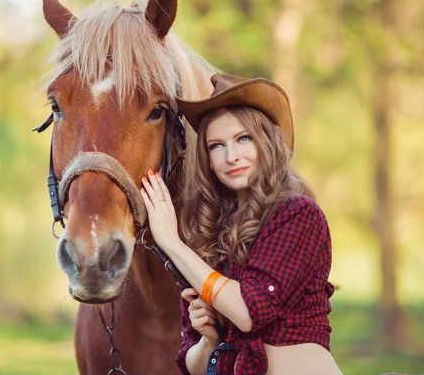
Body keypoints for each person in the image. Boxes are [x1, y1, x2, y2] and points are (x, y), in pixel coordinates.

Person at [139, 74, 342, 375]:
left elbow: (249, 311)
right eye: (216, 146)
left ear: (267, 141)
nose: (231, 157)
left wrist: (171, 242)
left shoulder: (298, 214)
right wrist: (209, 340)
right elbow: (190, 364)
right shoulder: (208, 233)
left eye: (243, 138)